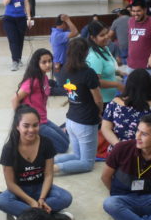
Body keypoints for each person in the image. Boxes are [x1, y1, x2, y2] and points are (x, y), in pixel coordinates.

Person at [0, 106, 73, 220]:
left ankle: (25, 214)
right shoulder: (9, 148)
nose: (31, 130)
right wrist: (31, 202)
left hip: (40, 188)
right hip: (20, 190)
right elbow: (10, 184)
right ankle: (49, 216)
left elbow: (48, 175)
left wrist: (42, 198)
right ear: (17, 126)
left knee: (65, 198)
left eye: (35, 125)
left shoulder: (46, 143)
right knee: (2, 201)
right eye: (26, 126)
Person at [54, 38, 103, 175]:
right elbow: (98, 99)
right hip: (85, 122)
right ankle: (52, 169)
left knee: (77, 156)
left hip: (71, 120)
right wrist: (99, 112)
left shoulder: (63, 70)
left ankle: (46, 163)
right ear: (86, 53)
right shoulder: (88, 73)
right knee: (87, 163)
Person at [11, 49, 69, 153]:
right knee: (63, 147)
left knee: (66, 140)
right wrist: (19, 120)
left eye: (50, 61)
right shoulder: (32, 81)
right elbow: (15, 99)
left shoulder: (44, 77)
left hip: (43, 119)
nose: (48, 64)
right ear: (37, 63)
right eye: (44, 62)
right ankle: (36, 143)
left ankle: (41, 139)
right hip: (35, 123)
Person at [101, 69, 151, 151]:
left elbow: (105, 128)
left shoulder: (114, 104)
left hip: (118, 152)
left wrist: (119, 146)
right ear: (150, 86)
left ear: (128, 85)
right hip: (146, 153)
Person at [86, 20, 123, 103]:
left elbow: (106, 69)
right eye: (102, 35)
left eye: (107, 33)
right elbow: (95, 82)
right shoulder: (94, 57)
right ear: (93, 38)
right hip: (103, 102)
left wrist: (120, 73)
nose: (106, 36)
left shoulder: (105, 48)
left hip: (111, 99)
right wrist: (117, 85)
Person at [2, 0, 32, 71]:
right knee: (13, 40)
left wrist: (29, 17)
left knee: (20, 40)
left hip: (21, 18)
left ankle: (18, 58)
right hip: (9, 19)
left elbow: (26, 4)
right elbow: (5, 3)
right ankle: (14, 61)